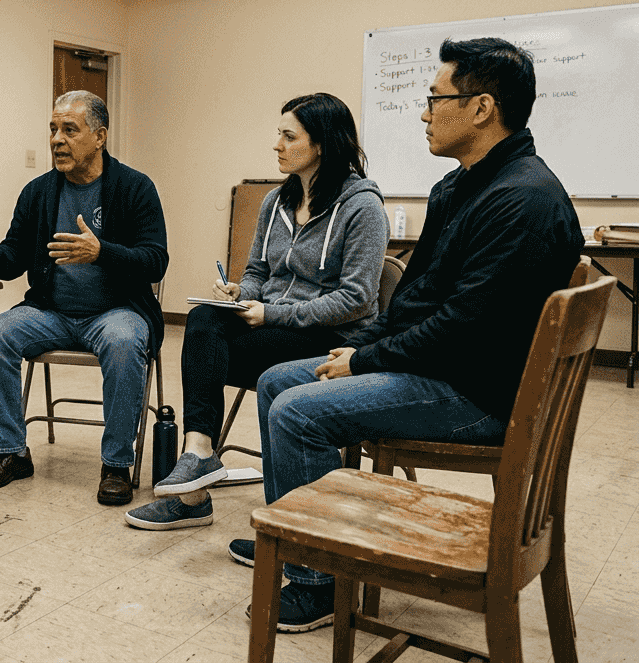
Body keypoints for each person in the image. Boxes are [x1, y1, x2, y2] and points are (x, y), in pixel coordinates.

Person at [227, 38, 583, 633]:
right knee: (275, 381)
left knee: (296, 411)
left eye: (435, 99)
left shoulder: (521, 200)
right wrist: (363, 349)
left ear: (481, 108)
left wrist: (366, 360)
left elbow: (461, 329)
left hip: (479, 395)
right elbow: (413, 299)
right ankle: (302, 537)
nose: (423, 113)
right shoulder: (460, 186)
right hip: (447, 368)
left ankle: (318, 582)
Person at [125, 94, 388, 530]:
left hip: (331, 338)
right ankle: (199, 454)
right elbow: (257, 273)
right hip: (273, 324)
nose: (277, 144)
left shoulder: (363, 207)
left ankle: (192, 499)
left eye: (289, 136)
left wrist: (271, 314)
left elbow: (356, 300)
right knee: (204, 318)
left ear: (321, 144)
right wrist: (238, 293)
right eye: (278, 134)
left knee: (212, 352)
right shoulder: (276, 202)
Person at [0, 90, 168, 506]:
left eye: (69, 130)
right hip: (51, 312)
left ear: (100, 137)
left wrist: (102, 252)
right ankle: (10, 453)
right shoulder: (38, 191)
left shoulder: (135, 187)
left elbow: (155, 261)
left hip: (117, 311)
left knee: (124, 341)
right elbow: (14, 257)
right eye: (53, 130)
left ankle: (116, 465)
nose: (57, 139)